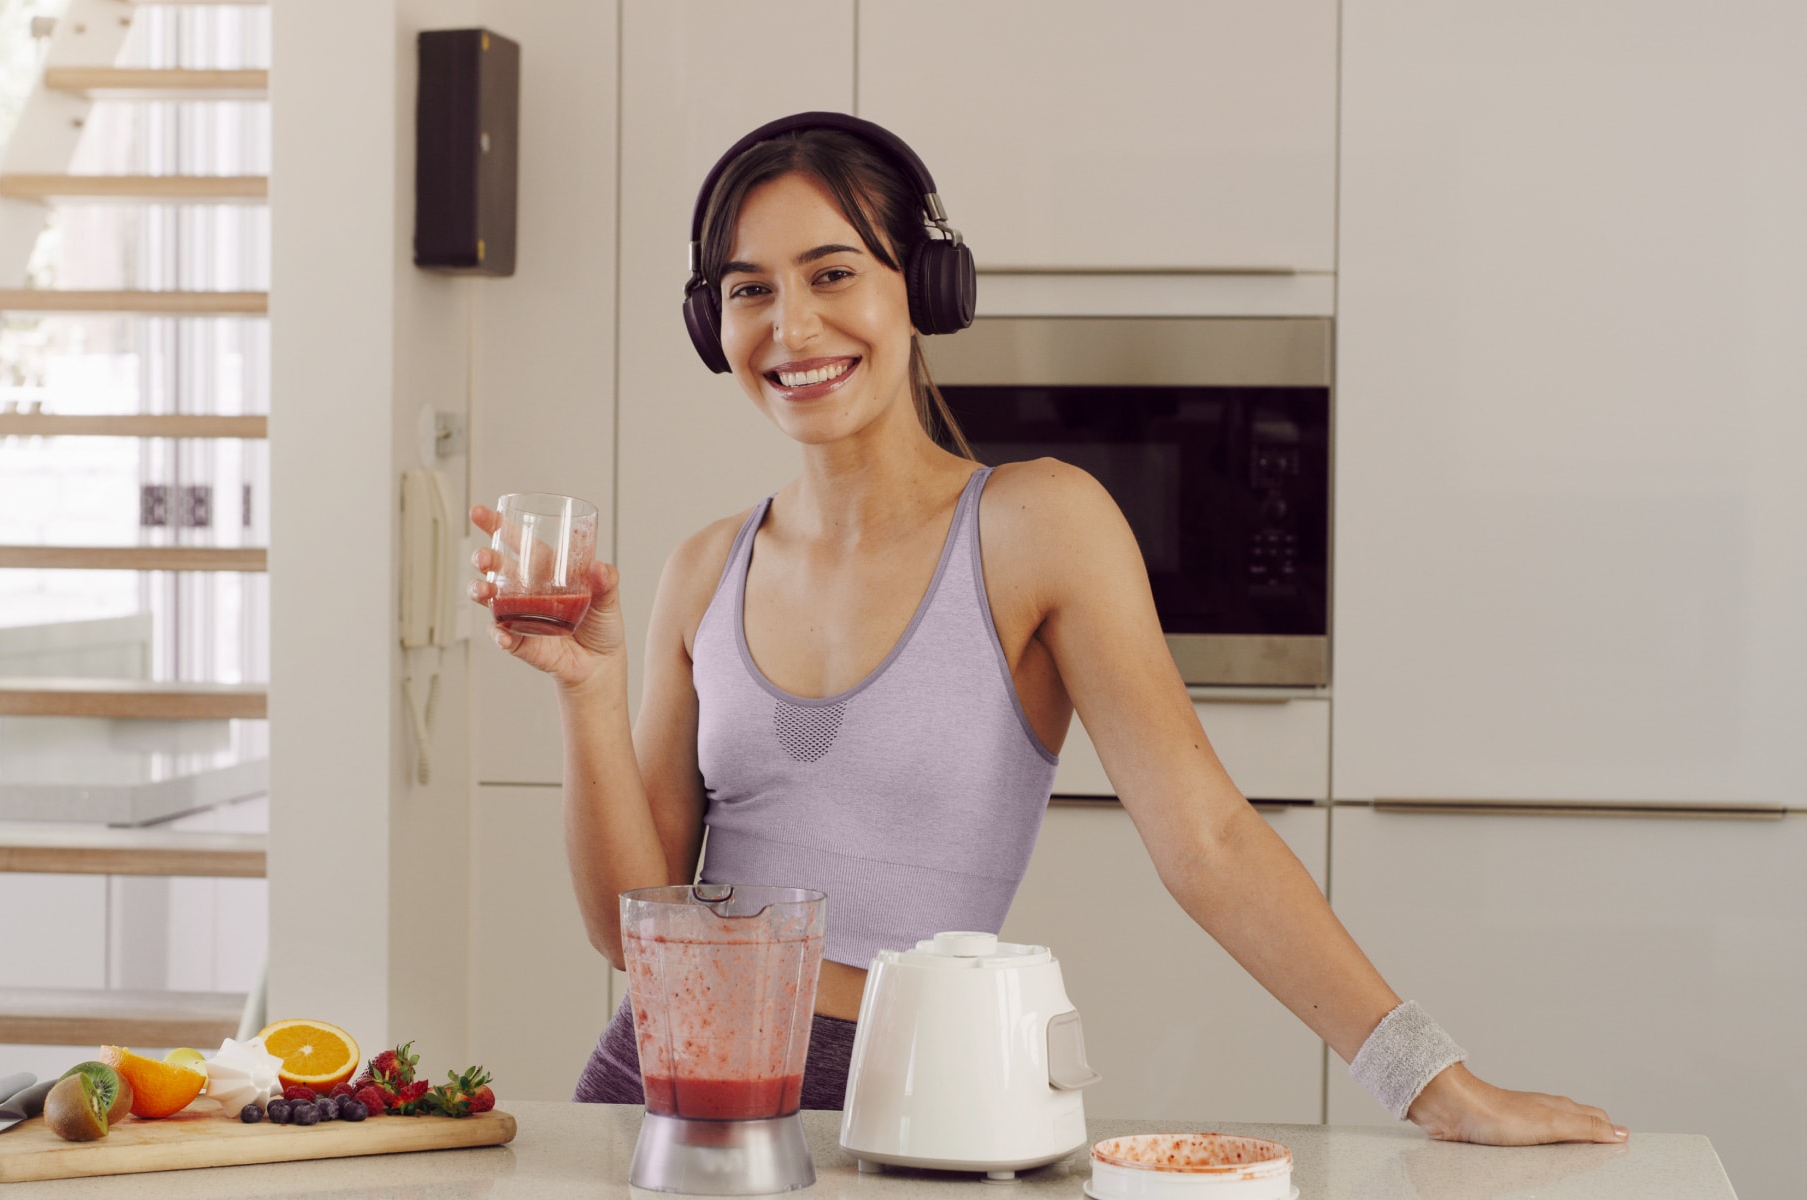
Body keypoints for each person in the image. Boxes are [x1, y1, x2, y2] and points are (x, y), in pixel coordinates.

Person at [467, 112, 1625, 1146]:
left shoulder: (1037, 527)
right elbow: (633, 933)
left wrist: (1434, 1082)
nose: (791, 324)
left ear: (921, 287)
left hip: (904, 1095)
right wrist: (585, 691)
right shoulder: (702, 568)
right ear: (709, 320)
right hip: (657, 1088)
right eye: (748, 288)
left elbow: (1208, 840)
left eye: (832, 273)